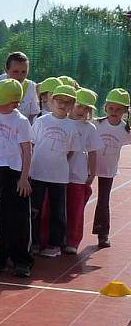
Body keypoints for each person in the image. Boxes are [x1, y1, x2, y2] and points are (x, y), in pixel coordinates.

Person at [0, 78, 33, 277]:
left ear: (14, 103)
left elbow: (27, 151)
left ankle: (22, 260)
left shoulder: (21, 121)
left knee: (19, 218)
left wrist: (25, 177)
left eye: (0, 102)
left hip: (16, 174)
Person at [29, 85, 78, 258]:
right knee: (35, 209)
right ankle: (33, 242)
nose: (63, 105)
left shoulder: (72, 126)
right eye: (59, 100)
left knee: (58, 211)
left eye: (68, 102)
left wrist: (59, 162)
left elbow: (71, 151)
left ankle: (55, 244)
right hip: (37, 173)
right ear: (51, 101)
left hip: (59, 176)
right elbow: (31, 144)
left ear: (72, 106)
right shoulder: (41, 121)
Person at [93, 88, 131, 248]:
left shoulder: (126, 131)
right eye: (111, 108)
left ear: (125, 111)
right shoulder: (97, 123)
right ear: (105, 108)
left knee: (103, 200)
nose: (114, 112)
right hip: (88, 168)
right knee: (79, 199)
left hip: (108, 170)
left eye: (118, 109)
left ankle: (103, 234)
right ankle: (69, 235)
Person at [65, 88, 102, 254]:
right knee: (55, 208)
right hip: (58, 174)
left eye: (87, 108)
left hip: (78, 176)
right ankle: (54, 239)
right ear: (72, 104)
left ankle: (73, 240)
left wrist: (92, 173)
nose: (83, 111)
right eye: (80, 106)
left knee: (76, 209)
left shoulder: (90, 128)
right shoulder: (63, 122)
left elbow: (93, 152)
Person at [0, 51, 40, 123]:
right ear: (6, 69)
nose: (20, 76)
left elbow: (33, 115)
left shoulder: (32, 87)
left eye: (24, 72)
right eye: (15, 71)